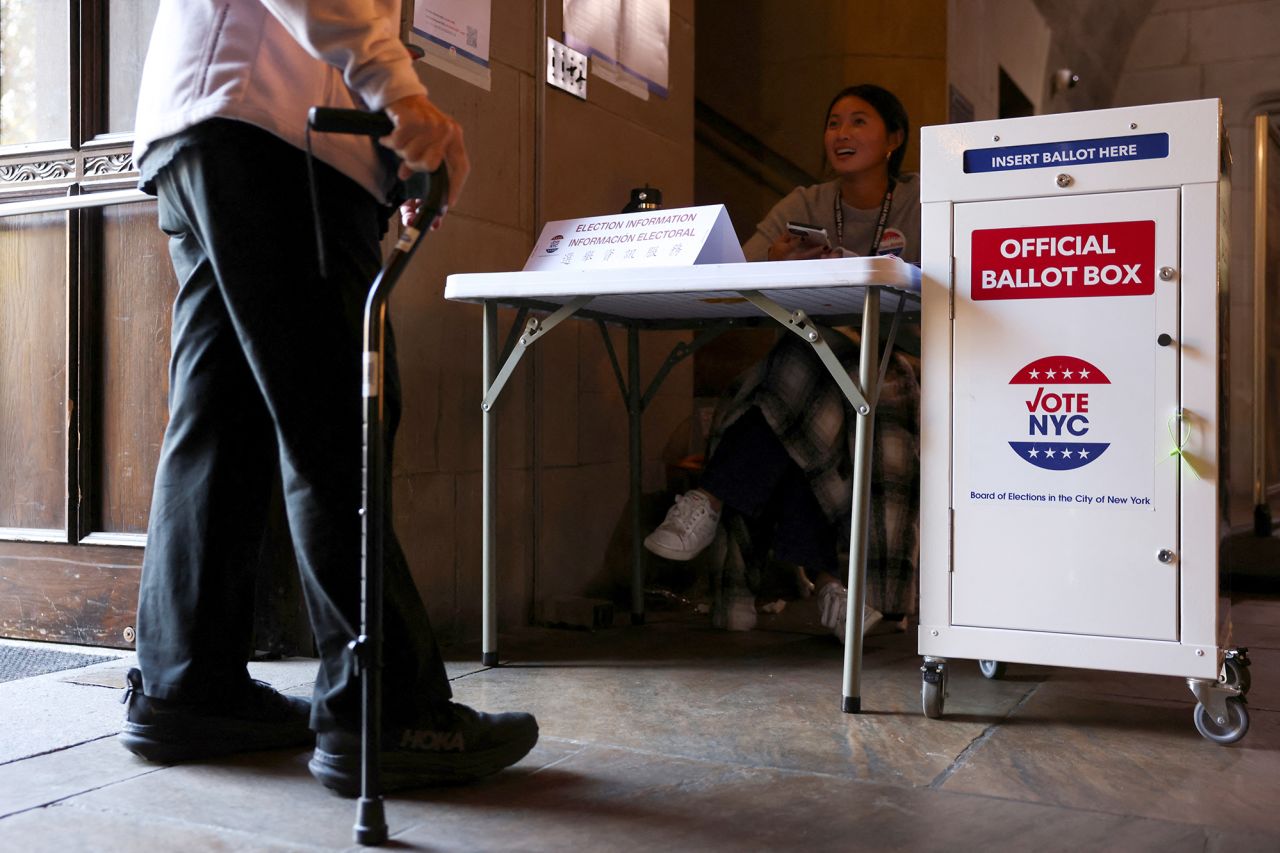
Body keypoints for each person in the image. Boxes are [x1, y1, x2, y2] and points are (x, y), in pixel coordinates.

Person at [118, 0, 537, 797]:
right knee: (338, 420)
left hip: (209, 129)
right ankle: (388, 710)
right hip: (277, 133)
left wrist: (390, 151)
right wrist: (400, 94)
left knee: (223, 420)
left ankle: (189, 685)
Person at [644, 84, 921, 641]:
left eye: (859, 122)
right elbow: (738, 270)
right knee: (799, 399)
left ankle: (713, 496)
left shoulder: (923, 200)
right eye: (833, 122)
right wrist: (772, 260)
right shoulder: (807, 201)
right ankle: (832, 583)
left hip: (899, 358)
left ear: (894, 138)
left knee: (784, 378)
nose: (841, 134)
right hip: (819, 360)